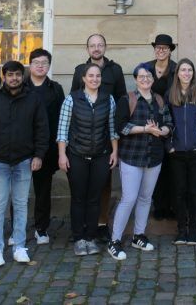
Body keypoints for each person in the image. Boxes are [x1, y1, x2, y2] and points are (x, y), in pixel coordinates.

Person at [0, 61, 49, 268]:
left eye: (17, 74)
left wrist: (39, 155)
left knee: (21, 204)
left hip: (24, 161)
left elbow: (42, 130)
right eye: (10, 74)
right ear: (4, 76)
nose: (14, 78)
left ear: (22, 76)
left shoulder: (33, 100)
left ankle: (19, 247)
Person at [107, 65, 174, 260]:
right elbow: (120, 127)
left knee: (146, 198)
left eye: (149, 76)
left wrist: (163, 131)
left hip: (154, 157)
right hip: (131, 157)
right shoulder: (127, 100)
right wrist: (145, 129)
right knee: (129, 198)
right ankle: (115, 241)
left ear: (153, 80)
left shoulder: (160, 100)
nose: (145, 79)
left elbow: (169, 123)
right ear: (136, 79)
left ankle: (139, 236)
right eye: (141, 76)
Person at [58, 64, 119, 257]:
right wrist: (62, 154)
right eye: (91, 76)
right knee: (78, 198)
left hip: (101, 155)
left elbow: (112, 129)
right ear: (83, 78)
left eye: (98, 76)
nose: (94, 79)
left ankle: (91, 237)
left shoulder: (108, 99)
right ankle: (78, 238)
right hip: (76, 155)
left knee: (94, 198)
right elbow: (62, 130)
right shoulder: (72, 99)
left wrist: (114, 152)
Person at [70, 34, 127, 242]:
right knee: (81, 186)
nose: (96, 48)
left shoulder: (115, 70)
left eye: (100, 45)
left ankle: (101, 224)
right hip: (82, 139)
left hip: (105, 138)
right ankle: (82, 225)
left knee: (103, 185)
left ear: (105, 47)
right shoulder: (79, 70)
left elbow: (121, 98)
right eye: (92, 46)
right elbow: (73, 100)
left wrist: (116, 136)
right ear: (87, 49)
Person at [167, 58, 196, 245]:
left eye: (189, 70)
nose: (186, 73)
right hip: (176, 152)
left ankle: (193, 229)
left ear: (193, 74)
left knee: (194, 191)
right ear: (177, 73)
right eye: (183, 70)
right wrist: (168, 145)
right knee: (179, 191)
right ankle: (181, 229)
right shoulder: (170, 94)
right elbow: (164, 121)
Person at [24, 48, 65, 246]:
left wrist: (60, 149)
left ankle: (41, 229)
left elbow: (61, 120)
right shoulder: (19, 86)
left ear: (49, 66)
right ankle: (17, 230)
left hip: (47, 148)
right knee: (19, 192)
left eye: (45, 63)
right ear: (30, 65)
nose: (40, 66)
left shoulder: (56, 89)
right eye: (37, 62)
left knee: (43, 192)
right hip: (21, 147)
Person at [143, 34, 178, 221]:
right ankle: (158, 206)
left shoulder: (177, 69)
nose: (161, 50)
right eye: (158, 47)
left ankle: (171, 206)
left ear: (170, 50)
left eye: (165, 47)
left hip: (173, 121)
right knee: (155, 165)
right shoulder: (146, 68)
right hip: (152, 122)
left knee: (171, 167)